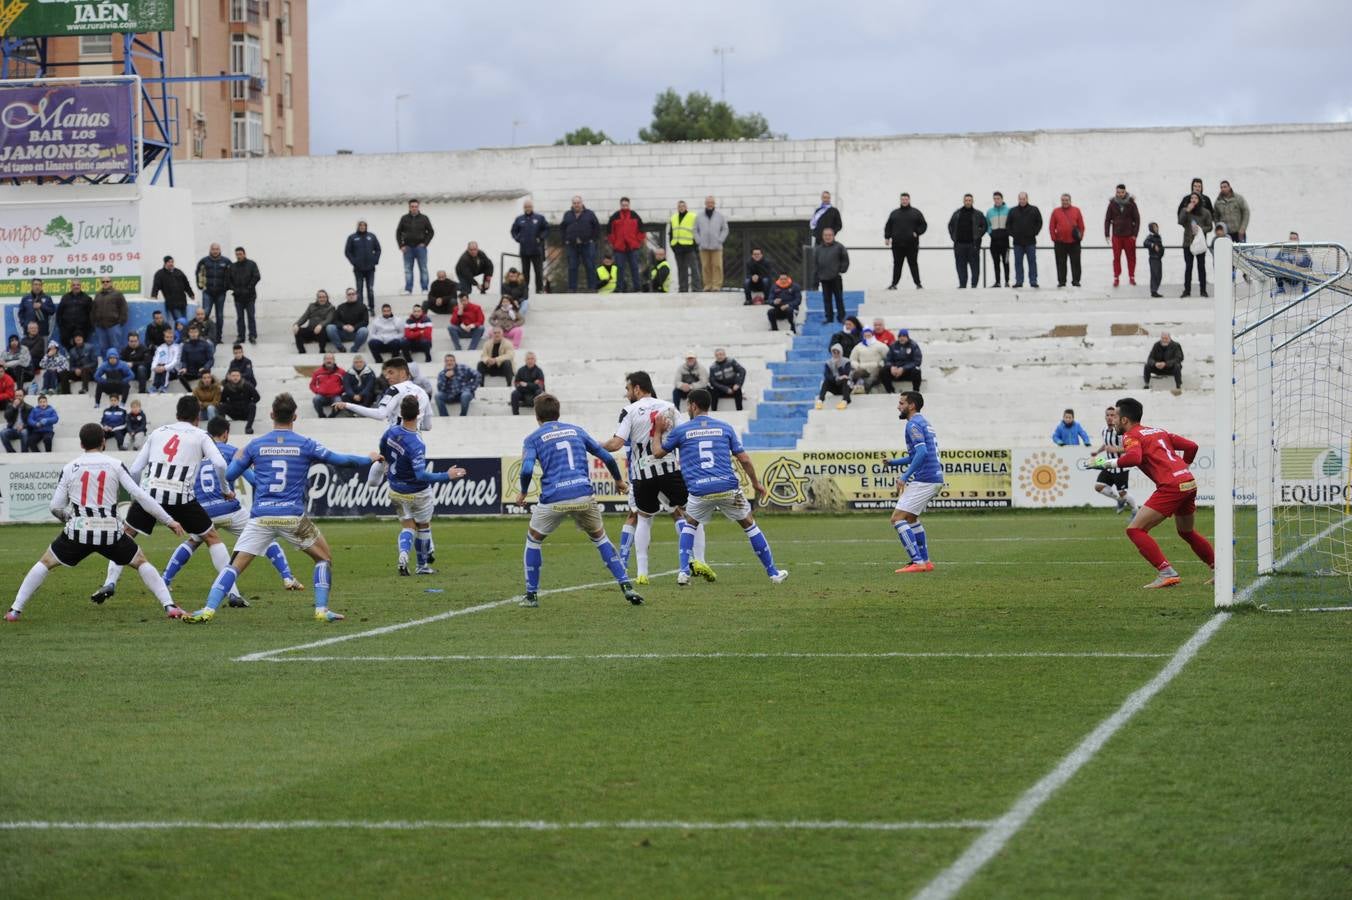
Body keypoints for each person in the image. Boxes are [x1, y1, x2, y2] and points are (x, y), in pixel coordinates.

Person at [183, 393, 380, 623]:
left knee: (234, 566)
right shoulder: (306, 444)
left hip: (261, 516)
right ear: (295, 416)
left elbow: (230, 475)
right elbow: (343, 461)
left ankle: (208, 609)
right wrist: (369, 459)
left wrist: (240, 465)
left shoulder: (255, 445)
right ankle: (321, 610)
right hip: (292, 517)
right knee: (324, 558)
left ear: (271, 415)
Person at [6, 423, 188, 622]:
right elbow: (140, 496)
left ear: (81, 444)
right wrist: (169, 520)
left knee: (45, 563)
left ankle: (15, 610)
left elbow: (55, 506)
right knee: (140, 562)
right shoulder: (115, 464)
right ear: (103, 442)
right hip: (110, 532)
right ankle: (169, 606)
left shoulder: (70, 467)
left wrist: (69, 519)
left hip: (79, 531)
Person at [89, 395, 231, 605]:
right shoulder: (201, 435)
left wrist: (140, 494)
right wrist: (226, 489)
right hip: (181, 496)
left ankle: (110, 582)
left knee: (126, 536)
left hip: (151, 492)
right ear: (197, 417)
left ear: (177, 414)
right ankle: (232, 592)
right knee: (211, 537)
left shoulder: (157, 432)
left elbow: (135, 469)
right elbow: (220, 464)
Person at [514, 392, 644, 608]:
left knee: (533, 540)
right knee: (600, 538)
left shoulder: (533, 439)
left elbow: (527, 469)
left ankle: (531, 596)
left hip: (554, 497)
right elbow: (606, 456)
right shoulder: (577, 431)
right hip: (583, 494)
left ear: (537, 416)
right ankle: (626, 585)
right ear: (558, 413)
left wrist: (523, 492)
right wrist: (619, 481)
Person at [652, 388, 787, 587]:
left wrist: (657, 431)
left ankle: (683, 572)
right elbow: (744, 459)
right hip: (727, 487)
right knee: (749, 524)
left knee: (690, 524)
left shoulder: (682, 431)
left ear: (693, 406)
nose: (687, 408)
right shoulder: (725, 428)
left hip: (699, 490)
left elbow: (657, 453)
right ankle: (773, 573)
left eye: (688, 405)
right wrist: (755, 483)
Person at [161, 416, 302, 600]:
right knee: (265, 535)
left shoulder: (195, 452)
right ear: (226, 433)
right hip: (230, 509)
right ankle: (288, 577)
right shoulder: (231, 451)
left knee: (193, 542)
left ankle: (165, 579)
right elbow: (252, 479)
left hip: (204, 512)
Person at [601, 371, 713, 586]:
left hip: (642, 474)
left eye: (628, 389)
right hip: (669, 469)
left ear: (637, 388)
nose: (627, 393)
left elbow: (615, 444)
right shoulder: (668, 407)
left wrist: (594, 444)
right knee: (692, 513)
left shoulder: (629, 410)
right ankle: (699, 561)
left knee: (643, 518)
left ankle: (642, 573)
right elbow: (685, 436)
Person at [1090, 396, 1214, 588]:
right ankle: (1220, 570)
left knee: (1135, 530)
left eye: (1116, 417)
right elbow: (1192, 446)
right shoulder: (1158, 431)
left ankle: (1166, 573)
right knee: (1187, 532)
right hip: (1187, 482)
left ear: (1124, 420)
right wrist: (1184, 467)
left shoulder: (1131, 436)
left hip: (1171, 486)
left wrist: (1103, 463)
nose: (1113, 421)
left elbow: (1134, 458)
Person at [366, 395, 468, 576]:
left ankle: (403, 555)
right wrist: (447, 475)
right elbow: (420, 475)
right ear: (419, 413)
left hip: (395, 489)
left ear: (401, 412)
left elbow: (382, 452)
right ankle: (422, 566)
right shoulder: (416, 443)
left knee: (407, 526)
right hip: (418, 492)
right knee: (423, 525)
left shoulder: (391, 432)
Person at [886, 391, 944, 573]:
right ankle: (925, 561)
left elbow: (922, 453)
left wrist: (904, 477)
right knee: (911, 518)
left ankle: (917, 562)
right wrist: (894, 463)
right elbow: (915, 455)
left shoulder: (913, 424)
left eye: (901, 403)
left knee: (897, 519)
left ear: (911, 405)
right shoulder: (924, 422)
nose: (898, 406)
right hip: (934, 477)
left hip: (925, 478)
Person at [333, 356, 432, 432]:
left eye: (391, 373)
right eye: (386, 374)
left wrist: (348, 405)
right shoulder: (422, 392)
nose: (387, 377)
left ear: (402, 373)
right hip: (416, 442)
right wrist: (413, 427)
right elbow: (428, 426)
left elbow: (380, 414)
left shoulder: (395, 389)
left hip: (397, 440)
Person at [1091, 406, 1137, 514]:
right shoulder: (1104, 431)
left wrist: (1115, 449)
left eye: (1112, 415)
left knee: (1122, 493)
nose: (1109, 417)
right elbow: (1106, 444)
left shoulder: (1120, 431)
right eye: (1107, 415)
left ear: (1117, 417)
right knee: (1098, 487)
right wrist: (1097, 452)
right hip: (1109, 465)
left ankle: (1136, 510)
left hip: (1121, 466)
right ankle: (1119, 500)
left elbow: (1129, 448)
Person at [884, 192, 927, 290]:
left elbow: (924, 225)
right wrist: (887, 237)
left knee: (913, 264)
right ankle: (894, 284)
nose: (904, 201)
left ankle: (918, 284)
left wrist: (917, 232)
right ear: (900, 200)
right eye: (902, 199)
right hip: (897, 245)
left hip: (912, 245)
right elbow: (888, 226)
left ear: (909, 200)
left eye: (906, 199)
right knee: (897, 265)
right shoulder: (894, 213)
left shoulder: (916, 213)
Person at [560, 195, 601, 292]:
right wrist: (565, 240)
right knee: (572, 266)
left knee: (590, 266)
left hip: (587, 244)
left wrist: (592, 239)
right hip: (572, 245)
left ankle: (592, 287)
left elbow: (597, 227)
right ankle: (572, 288)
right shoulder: (567, 214)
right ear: (572, 204)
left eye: (578, 203)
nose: (576, 205)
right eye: (574, 203)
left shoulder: (590, 213)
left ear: (582, 203)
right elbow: (562, 228)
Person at [1104, 184, 1141, 287]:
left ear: (1125, 192)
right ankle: (1116, 277)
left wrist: (1135, 235)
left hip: (1129, 236)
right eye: (1118, 192)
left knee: (1131, 258)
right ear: (1116, 192)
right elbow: (1107, 219)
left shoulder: (1131, 203)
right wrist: (1107, 233)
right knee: (1116, 258)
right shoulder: (1112, 204)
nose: (1120, 194)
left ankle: (1131, 277)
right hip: (1117, 236)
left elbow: (1137, 219)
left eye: (1122, 192)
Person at [947, 194, 987, 289]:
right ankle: (962, 284)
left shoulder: (978, 214)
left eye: (969, 200)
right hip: (959, 245)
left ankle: (974, 285)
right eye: (966, 200)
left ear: (972, 201)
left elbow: (984, 226)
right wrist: (954, 237)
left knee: (975, 266)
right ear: (963, 201)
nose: (968, 202)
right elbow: (950, 225)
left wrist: (978, 236)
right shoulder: (957, 213)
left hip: (973, 245)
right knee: (960, 266)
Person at [396, 198, 435, 295]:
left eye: (416, 206)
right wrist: (401, 245)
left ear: (418, 207)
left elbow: (431, 232)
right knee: (408, 270)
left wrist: (425, 243)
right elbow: (398, 232)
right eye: (412, 206)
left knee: (423, 269)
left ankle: (424, 289)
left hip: (420, 248)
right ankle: (408, 289)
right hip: (408, 248)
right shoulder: (404, 218)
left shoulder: (424, 218)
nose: (414, 208)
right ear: (409, 207)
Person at [510, 200, 550, 294]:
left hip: (537, 250)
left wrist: (540, 238)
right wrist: (519, 239)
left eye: (529, 206)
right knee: (525, 273)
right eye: (526, 207)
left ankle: (539, 289)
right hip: (524, 251)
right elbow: (513, 231)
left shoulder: (539, 218)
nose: (528, 208)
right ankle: (525, 291)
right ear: (524, 208)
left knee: (538, 272)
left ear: (532, 207)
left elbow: (547, 229)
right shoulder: (519, 219)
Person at [1177, 193, 1212, 298]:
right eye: (1191, 198)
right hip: (1188, 243)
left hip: (1200, 243)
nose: (1193, 199)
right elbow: (1180, 221)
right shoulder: (1185, 210)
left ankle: (1203, 290)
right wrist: (1187, 210)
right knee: (1188, 267)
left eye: (1196, 198)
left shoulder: (1205, 212)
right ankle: (1187, 290)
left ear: (1199, 200)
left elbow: (1210, 226)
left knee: (1201, 267)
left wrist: (1200, 229)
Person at [607, 197, 645, 293]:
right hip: (619, 247)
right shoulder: (615, 216)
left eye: (626, 205)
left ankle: (637, 288)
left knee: (634, 267)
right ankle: (619, 288)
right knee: (619, 268)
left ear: (629, 205)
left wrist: (637, 241)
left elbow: (641, 230)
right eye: (623, 205)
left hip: (633, 247)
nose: (625, 207)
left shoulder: (635, 215)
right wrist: (614, 243)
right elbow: (610, 232)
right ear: (620, 205)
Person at [196, 243, 232, 342]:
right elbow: (198, 273)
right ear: (210, 250)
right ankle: (203, 335)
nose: (215, 251)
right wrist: (200, 286)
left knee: (219, 316)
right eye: (213, 249)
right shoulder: (204, 261)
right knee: (205, 314)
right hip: (207, 292)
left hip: (221, 293)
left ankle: (218, 337)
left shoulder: (226, 261)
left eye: (217, 249)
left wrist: (228, 286)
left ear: (220, 250)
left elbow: (231, 274)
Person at [1049, 193, 1086, 288]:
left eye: (1066, 200)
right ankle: (1062, 281)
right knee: (1061, 263)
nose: (1065, 202)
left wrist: (1080, 237)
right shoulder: (1056, 211)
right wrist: (1054, 238)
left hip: (1074, 242)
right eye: (1063, 200)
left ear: (1070, 201)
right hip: (1060, 242)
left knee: (1076, 263)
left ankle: (1076, 280)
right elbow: (1052, 226)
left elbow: (1081, 226)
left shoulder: (1076, 210)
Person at [344, 219, 382, 312]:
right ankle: (360, 309)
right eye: (360, 226)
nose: (362, 227)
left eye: (364, 225)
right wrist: (354, 261)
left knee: (370, 289)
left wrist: (375, 260)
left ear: (366, 227)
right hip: (358, 269)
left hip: (370, 268)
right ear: (358, 227)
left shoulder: (371, 236)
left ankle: (371, 308)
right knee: (359, 290)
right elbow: (347, 251)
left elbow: (378, 249)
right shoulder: (352, 237)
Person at [1007, 192, 1042, 289]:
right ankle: (1019, 281)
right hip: (1017, 242)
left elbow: (1039, 222)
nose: (1022, 201)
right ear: (1018, 199)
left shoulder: (1034, 209)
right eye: (1020, 199)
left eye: (1023, 199)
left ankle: (1033, 281)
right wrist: (1013, 234)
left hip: (1030, 242)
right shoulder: (1013, 211)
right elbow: (1008, 225)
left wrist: (1034, 232)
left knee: (1032, 262)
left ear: (1027, 199)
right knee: (1018, 262)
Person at [814, 227, 850, 323]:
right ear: (823, 236)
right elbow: (815, 264)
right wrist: (816, 279)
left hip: (835, 277)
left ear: (833, 236)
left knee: (839, 298)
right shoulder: (818, 249)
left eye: (830, 235)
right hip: (824, 278)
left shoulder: (839, 247)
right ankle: (829, 318)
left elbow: (845, 259)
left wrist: (842, 270)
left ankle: (841, 317)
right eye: (826, 235)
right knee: (827, 299)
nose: (828, 237)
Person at [694, 195, 729, 290]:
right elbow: (695, 229)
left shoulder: (720, 216)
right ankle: (707, 285)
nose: (710, 204)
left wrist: (720, 240)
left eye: (712, 202)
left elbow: (725, 229)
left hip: (716, 246)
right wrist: (699, 241)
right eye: (708, 202)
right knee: (705, 266)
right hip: (703, 246)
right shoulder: (699, 216)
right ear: (705, 204)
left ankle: (716, 285)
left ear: (714, 204)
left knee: (717, 266)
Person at [228, 246, 261, 345]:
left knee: (251, 316)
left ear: (244, 254)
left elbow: (257, 276)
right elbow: (228, 280)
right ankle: (241, 337)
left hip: (250, 296)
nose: (238, 256)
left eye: (240, 254)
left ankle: (252, 336)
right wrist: (234, 289)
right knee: (240, 318)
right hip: (238, 297)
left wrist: (249, 288)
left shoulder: (252, 264)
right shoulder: (233, 266)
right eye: (237, 254)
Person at [90, 276, 128, 360]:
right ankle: (106, 366)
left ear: (111, 282)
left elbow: (124, 308)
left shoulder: (118, 294)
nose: (105, 283)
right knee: (103, 348)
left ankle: (117, 366)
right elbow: (93, 309)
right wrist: (94, 323)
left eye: (107, 281)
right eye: (103, 282)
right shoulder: (98, 294)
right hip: (100, 327)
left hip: (114, 326)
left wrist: (120, 322)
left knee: (116, 348)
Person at [667, 200, 700, 292]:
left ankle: (697, 288)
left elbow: (697, 231)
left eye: (683, 206)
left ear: (686, 207)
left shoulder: (692, 216)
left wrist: (695, 245)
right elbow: (671, 233)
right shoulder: (673, 218)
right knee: (681, 269)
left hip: (689, 247)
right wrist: (672, 246)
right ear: (677, 208)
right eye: (679, 206)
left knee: (694, 268)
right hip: (678, 248)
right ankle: (683, 288)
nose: (681, 208)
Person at [151, 256, 194, 321]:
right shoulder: (160, 274)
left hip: (183, 302)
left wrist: (191, 294)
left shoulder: (179, 272)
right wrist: (154, 295)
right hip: (172, 303)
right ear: (165, 263)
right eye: (169, 262)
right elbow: (156, 286)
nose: (171, 264)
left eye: (172, 262)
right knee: (180, 321)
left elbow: (186, 284)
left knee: (184, 322)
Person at [326, 287, 370, 352]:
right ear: (346, 296)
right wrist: (343, 326)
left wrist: (354, 327)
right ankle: (340, 347)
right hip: (342, 333)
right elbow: (334, 321)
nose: (351, 296)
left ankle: (354, 349)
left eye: (353, 294)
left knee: (364, 330)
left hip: (356, 334)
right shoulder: (340, 307)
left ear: (356, 295)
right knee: (330, 327)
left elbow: (365, 321)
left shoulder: (362, 306)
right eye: (349, 294)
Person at [219, 368, 260, 434]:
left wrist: (249, 402)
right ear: (230, 377)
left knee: (252, 405)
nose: (235, 378)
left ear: (240, 376)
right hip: (234, 412)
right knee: (222, 406)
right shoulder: (227, 386)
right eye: (233, 376)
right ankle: (223, 428)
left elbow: (257, 397)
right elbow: (222, 400)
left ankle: (248, 427)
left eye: (237, 376)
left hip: (245, 412)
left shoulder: (247, 385)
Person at [176, 323, 215, 392]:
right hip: (191, 371)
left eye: (195, 332)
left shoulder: (205, 344)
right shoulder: (185, 345)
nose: (193, 334)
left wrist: (205, 367)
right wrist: (184, 368)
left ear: (198, 333)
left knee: (206, 376)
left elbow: (211, 360)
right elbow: (184, 360)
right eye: (191, 332)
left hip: (203, 370)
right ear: (188, 333)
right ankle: (190, 391)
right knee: (180, 375)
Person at [55, 279, 92, 350]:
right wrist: (61, 328)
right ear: (71, 286)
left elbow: (90, 315)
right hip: (67, 331)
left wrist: (88, 329)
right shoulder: (65, 297)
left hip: (82, 330)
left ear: (80, 286)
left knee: (82, 351)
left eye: (78, 285)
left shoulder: (86, 298)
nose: (76, 287)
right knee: (69, 350)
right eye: (74, 285)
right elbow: (59, 313)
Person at [849, 328, 888, 394]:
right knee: (855, 374)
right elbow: (852, 359)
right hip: (863, 368)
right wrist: (857, 366)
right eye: (865, 336)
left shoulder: (881, 345)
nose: (867, 337)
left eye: (869, 335)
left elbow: (887, 357)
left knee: (871, 379)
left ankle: (865, 390)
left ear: (872, 335)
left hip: (876, 367)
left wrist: (880, 364)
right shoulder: (858, 347)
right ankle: (853, 389)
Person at [815, 343, 852, 410]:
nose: (836, 354)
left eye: (838, 352)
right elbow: (827, 375)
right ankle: (820, 400)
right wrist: (837, 378)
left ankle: (845, 401)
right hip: (835, 384)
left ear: (841, 352)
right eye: (834, 352)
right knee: (826, 381)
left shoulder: (846, 361)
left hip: (844, 386)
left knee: (845, 380)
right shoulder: (828, 363)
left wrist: (839, 366)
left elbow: (846, 374)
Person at [309, 352, 346, 418]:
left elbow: (346, 384)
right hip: (322, 396)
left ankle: (332, 416)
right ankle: (321, 415)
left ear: (334, 360)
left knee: (339, 402)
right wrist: (318, 391)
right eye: (327, 359)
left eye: (331, 359)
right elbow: (312, 385)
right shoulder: (317, 372)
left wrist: (340, 391)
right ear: (324, 360)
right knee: (316, 399)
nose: (329, 360)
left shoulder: (341, 371)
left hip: (336, 396)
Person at [986, 191, 1011, 287]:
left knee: (1006, 262)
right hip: (994, 241)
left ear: (1002, 199)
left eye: (998, 198)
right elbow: (987, 224)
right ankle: (997, 282)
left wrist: (1008, 232)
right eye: (995, 199)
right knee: (996, 262)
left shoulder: (1008, 210)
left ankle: (1007, 281)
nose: (996, 200)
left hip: (1005, 241)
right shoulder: (990, 212)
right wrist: (990, 232)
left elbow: (1011, 223)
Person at [1143, 222, 1165, 298]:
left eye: (1157, 227)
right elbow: (1145, 243)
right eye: (1154, 227)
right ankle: (1153, 291)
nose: (1156, 228)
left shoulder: (1158, 236)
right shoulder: (1150, 236)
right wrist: (1153, 245)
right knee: (1155, 274)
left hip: (1158, 258)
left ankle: (1155, 290)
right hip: (1153, 258)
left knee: (1159, 275)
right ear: (1151, 229)